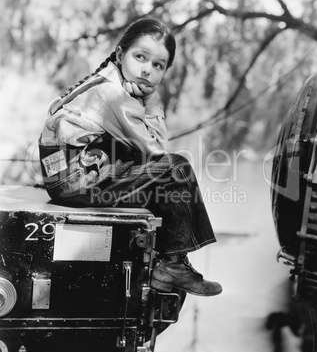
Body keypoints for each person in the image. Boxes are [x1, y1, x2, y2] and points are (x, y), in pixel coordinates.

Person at [39, 17, 222, 297]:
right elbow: (156, 150)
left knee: (158, 186)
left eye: (158, 65)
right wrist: (153, 103)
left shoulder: (104, 82)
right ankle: (171, 264)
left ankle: (168, 267)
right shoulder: (115, 97)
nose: (147, 70)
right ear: (121, 54)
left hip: (67, 177)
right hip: (75, 181)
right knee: (176, 169)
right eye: (140, 57)